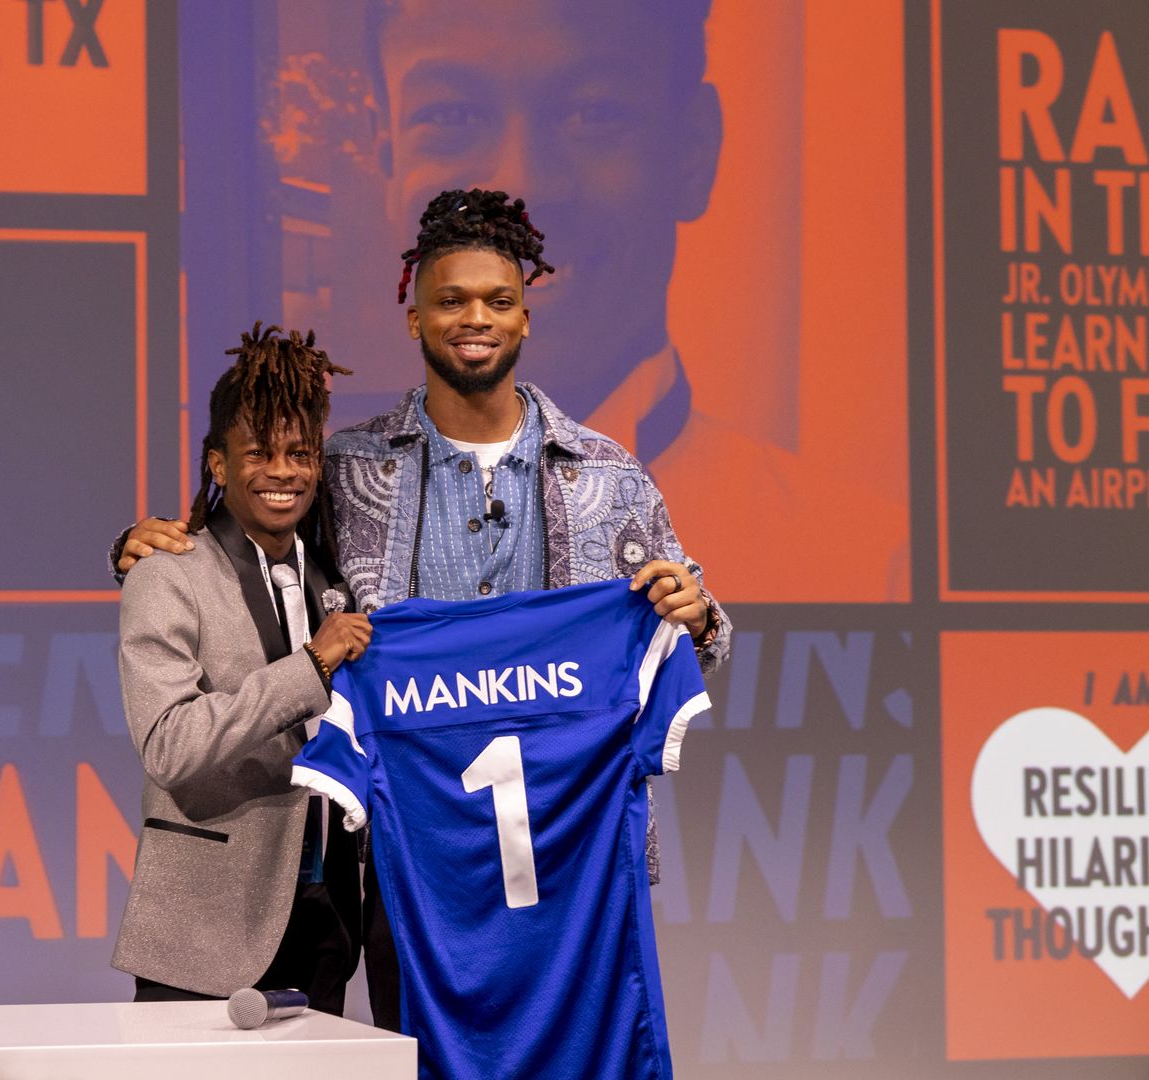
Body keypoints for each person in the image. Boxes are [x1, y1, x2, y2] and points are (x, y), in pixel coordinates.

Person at [116, 188, 732, 1028]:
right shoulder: (347, 470)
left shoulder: (609, 477)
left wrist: (699, 619)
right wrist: (138, 541)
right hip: (399, 861)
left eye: (498, 300)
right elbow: (249, 521)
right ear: (414, 315)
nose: (474, 318)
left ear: (524, 318)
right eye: (451, 300)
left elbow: (682, 649)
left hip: (566, 854)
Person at [290, 0, 907, 599]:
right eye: (451, 116)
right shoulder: (296, 541)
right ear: (389, 153)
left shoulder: (866, 563)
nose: (522, 184)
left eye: (592, 113)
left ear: (693, 151)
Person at [112, 324, 373, 1012]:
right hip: (204, 927)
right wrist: (310, 665)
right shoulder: (167, 575)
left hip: (323, 919)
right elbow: (170, 745)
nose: (282, 472)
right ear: (219, 464)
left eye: (299, 453)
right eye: (258, 453)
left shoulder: (332, 579)